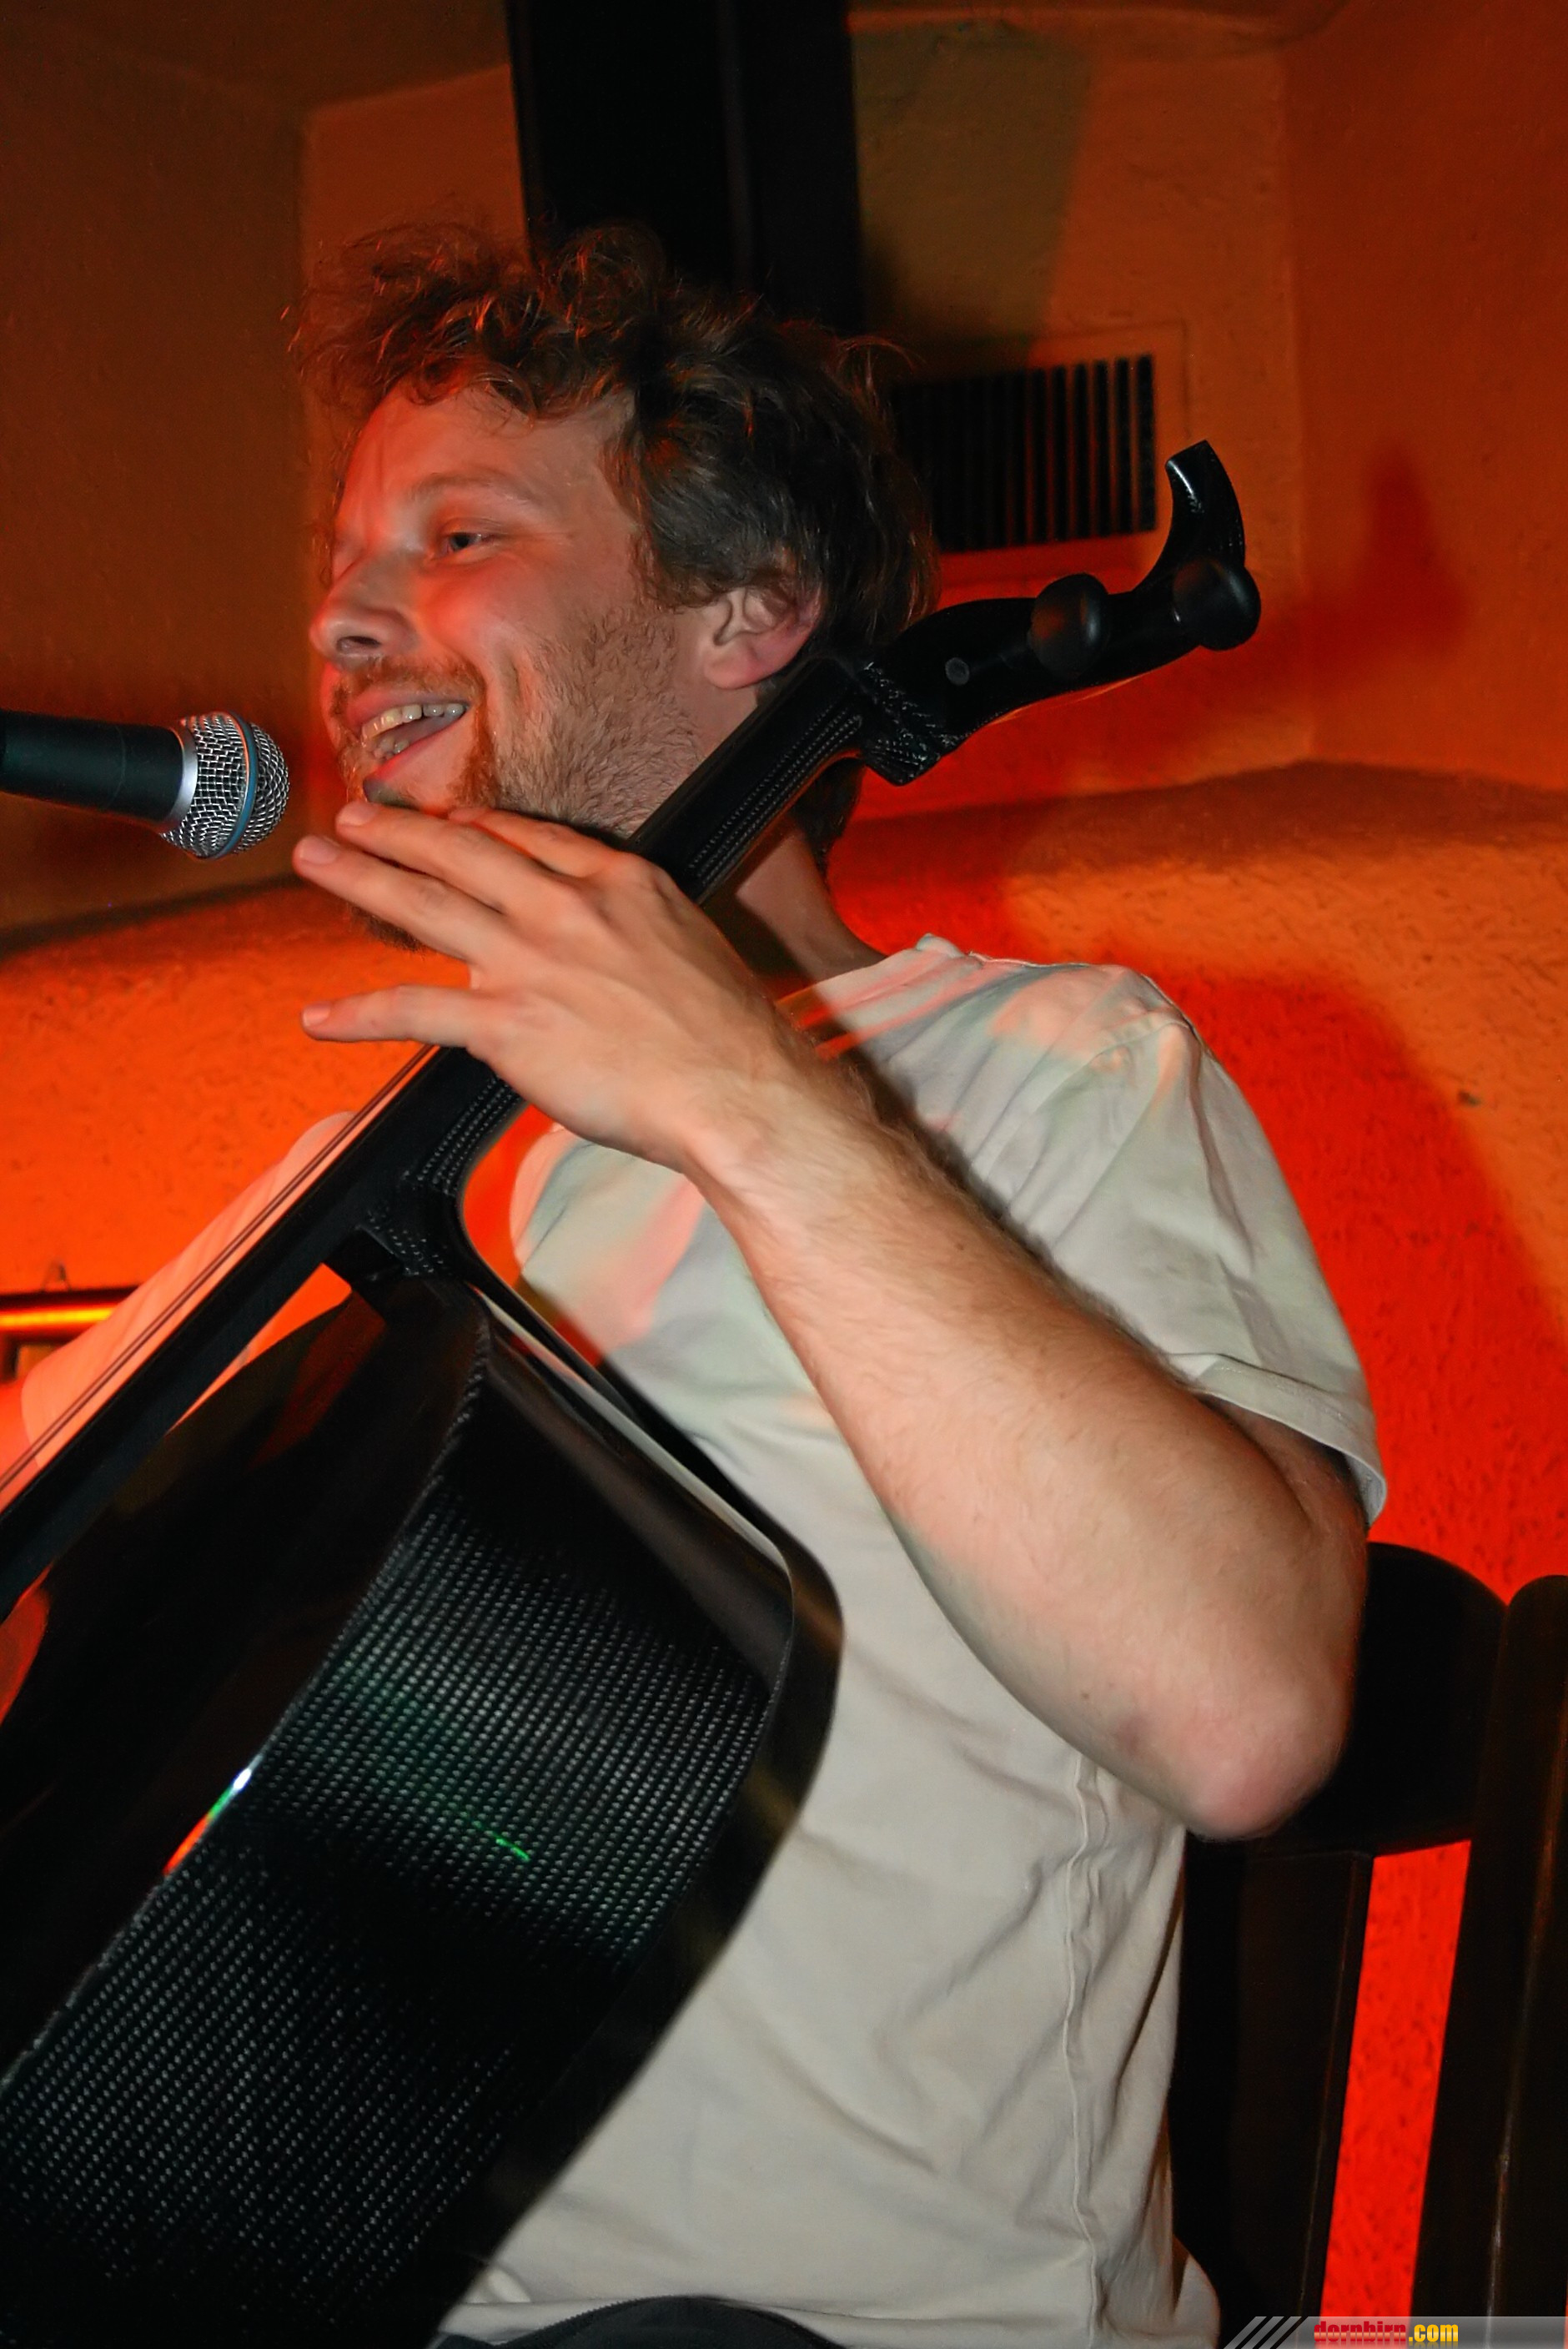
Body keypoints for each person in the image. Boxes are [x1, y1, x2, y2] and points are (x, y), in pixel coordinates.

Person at [7, 229, 1381, 2349]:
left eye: (458, 535)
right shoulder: (375, 1180)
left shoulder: (1043, 1069)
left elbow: (1242, 1709)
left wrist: (748, 1099)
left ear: (752, 611)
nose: (342, 622)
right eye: (344, 560)